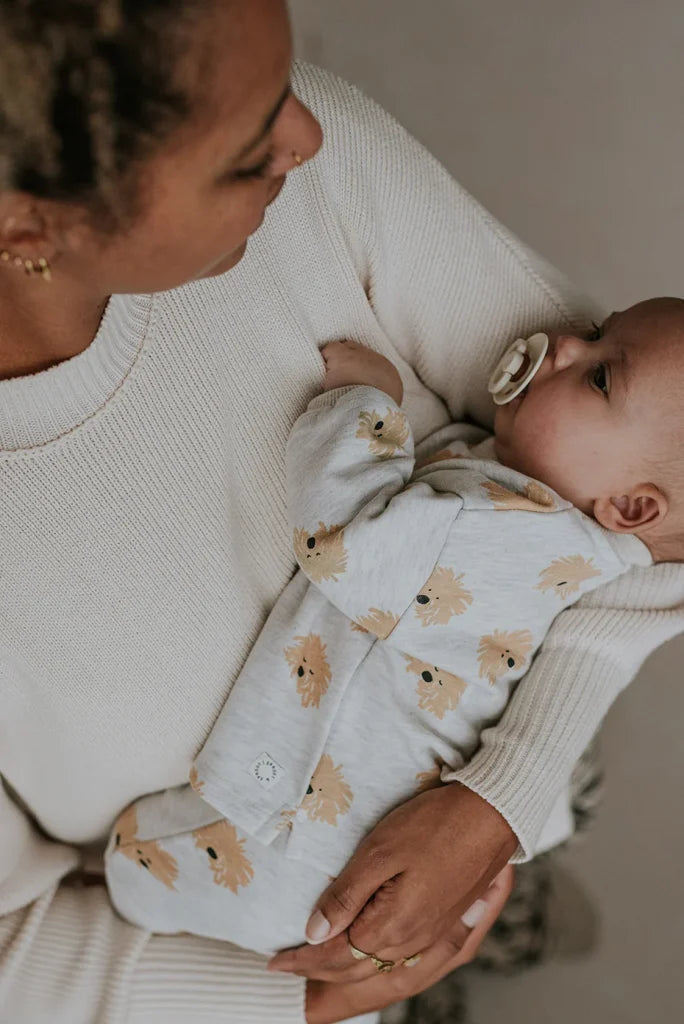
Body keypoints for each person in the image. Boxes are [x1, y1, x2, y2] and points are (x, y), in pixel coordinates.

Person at [1, 1, 682, 1022]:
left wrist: (503, 800)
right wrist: (311, 1005)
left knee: (524, 860)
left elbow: (659, 535)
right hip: (252, 925)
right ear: (27, 225)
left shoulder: (323, 177)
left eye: (284, 81)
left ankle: (519, 913)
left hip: (487, 758)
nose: (306, 134)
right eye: (245, 151)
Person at [103, 297, 680, 962]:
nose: (568, 342)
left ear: (630, 507)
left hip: (296, 840)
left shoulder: (510, 534)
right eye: (597, 330)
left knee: (130, 865)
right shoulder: (562, 532)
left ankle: (500, 928)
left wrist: (365, 402)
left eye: (601, 377)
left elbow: (344, 544)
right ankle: (510, 920)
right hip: (363, 835)